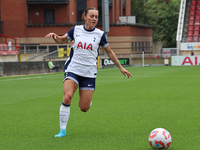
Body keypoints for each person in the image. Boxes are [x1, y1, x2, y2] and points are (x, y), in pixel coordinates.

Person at [45, 7, 132, 137]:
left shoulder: (100, 34)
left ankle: (87, 100)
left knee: (84, 108)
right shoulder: (76, 30)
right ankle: (62, 130)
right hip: (73, 69)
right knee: (67, 97)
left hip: (89, 74)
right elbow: (62, 40)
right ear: (84, 17)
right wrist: (55, 37)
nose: (94, 19)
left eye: (96, 17)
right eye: (91, 16)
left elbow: (109, 52)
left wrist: (121, 67)